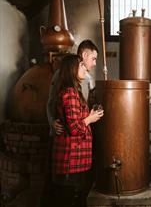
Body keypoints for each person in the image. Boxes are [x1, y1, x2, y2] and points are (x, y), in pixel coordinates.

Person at [51, 54, 103, 207]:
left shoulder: (73, 91)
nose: (85, 68)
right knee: (70, 200)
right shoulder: (70, 93)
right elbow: (75, 128)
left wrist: (89, 115)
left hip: (75, 159)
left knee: (71, 198)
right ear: (72, 69)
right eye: (81, 65)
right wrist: (90, 119)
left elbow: (73, 119)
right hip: (71, 159)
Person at [47, 39, 99, 135]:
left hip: (81, 134)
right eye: (94, 59)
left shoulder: (89, 79)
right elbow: (51, 102)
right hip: (65, 135)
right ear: (85, 55)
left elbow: (89, 105)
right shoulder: (60, 74)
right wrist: (52, 122)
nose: (95, 63)